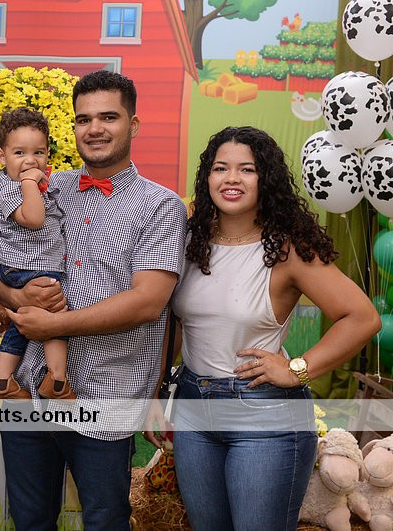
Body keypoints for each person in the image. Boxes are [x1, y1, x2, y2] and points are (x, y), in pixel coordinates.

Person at [149, 126, 380, 531]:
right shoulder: (189, 242)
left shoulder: (286, 249)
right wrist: (156, 391)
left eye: (247, 169)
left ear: (265, 179)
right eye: (220, 168)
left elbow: (362, 317)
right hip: (194, 410)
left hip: (264, 414)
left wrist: (296, 369)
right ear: (207, 178)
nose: (232, 179)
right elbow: (178, 324)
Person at [0, 70, 188, 530]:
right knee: (30, 520)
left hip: (105, 395)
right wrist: (14, 295)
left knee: (105, 519)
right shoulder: (44, 187)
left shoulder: (160, 206)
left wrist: (55, 325)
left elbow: (147, 302)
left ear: (133, 125)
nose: (94, 128)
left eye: (108, 117)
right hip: (29, 388)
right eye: (84, 120)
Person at [0, 107, 73, 400]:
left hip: (30, 264)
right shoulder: (10, 189)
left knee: (23, 322)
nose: (30, 160)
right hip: (26, 266)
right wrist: (28, 182)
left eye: (39, 152)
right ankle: (57, 380)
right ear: (2, 157)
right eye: (19, 153)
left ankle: (2, 381)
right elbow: (34, 219)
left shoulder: (33, 185)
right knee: (56, 315)